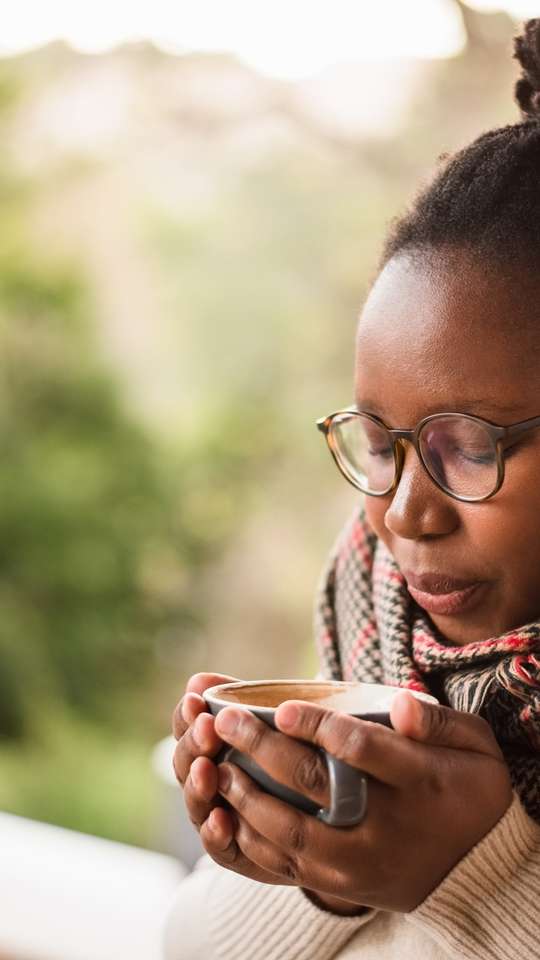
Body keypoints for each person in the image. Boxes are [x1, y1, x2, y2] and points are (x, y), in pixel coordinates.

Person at [165, 19, 540, 960]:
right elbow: (191, 945)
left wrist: (474, 871)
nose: (404, 514)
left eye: (468, 446)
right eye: (382, 443)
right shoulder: (381, 627)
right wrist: (305, 856)